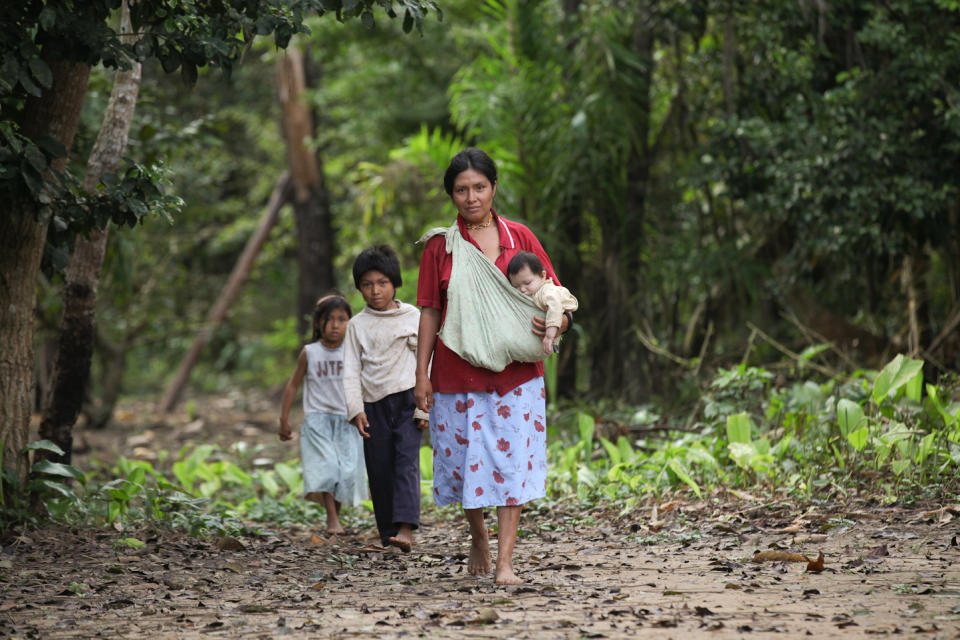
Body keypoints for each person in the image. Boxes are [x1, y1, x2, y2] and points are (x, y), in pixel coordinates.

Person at [415, 148, 571, 585]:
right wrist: (419, 373)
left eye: (479, 187)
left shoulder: (519, 237)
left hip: (515, 376)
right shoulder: (440, 247)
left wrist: (561, 322)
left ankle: (505, 561)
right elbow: (429, 310)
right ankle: (478, 536)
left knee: (510, 464)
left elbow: (557, 294)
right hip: (454, 374)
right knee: (466, 463)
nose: (471, 197)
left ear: (494, 187)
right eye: (461, 190)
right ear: (451, 195)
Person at [343, 245, 430, 552]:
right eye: (367, 284)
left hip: (408, 399)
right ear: (359, 288)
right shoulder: (357, 326)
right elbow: (351, 370)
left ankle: (406, 527)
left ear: (394, 283)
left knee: (406, 463)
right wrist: (355, 409)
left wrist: (425, 408)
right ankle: (387, 532)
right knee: (379, 468)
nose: (375, 291)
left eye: (382, 283)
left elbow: (426, 361)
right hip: (373, 405)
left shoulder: (412, 317)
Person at [279, 293, 366, 535]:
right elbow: (293, 385)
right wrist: (284, 419)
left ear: (350, 322)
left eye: (342, 319)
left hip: (347, 419)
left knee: (346, 471)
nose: (335, 325)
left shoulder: (353, 352)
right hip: (318, 419)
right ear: (318, 323)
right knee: (327, 466)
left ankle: (334, 515)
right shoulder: (310, 352)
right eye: (329, 319)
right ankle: (332, 518)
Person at [507, 250, 579, 355]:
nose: (522, 289)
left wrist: (549, 336)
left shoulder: (547, 292)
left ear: (543, 275)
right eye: (516, 286)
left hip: (551, 331)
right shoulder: (532, 291)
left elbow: (555, 307)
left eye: (527, 283)